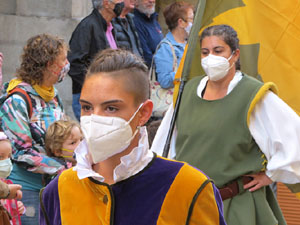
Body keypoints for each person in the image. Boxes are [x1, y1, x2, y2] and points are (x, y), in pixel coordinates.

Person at [39, 49, 226, 225]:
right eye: (87, 107)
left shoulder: (189, 187)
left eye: (111, 108)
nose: (94, 118)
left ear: (143, 113)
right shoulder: (58, 191)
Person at [151, 24, 300, 225]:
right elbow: (163, 148)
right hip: (192, 206)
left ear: (235, 54)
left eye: (218, 50)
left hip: (238, 207)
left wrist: (271, 175)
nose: (210, 57)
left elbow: (294, 136)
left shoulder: (252, 95)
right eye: (205, 52)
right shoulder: (186, 92)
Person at [0, 34, 68, 225]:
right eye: (63, 60)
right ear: (49, 64)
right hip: (26, 191)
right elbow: (21, 152)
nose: (66, 65)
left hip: (52, 187)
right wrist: (62, 167)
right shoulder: (17, 100)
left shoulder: (53, 96)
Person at [68, 0, 125, 121]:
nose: (122, 2)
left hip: (107, 96)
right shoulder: (87, 26)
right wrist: (94, 86)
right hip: (90, 99)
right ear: (106, 3)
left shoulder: (110, 26)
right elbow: (74, 64)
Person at [153, 1, 194, 89]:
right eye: (191, 19)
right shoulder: (166, 48)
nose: (194, 23)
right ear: (181, 22)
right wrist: (186, 71)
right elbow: (164, 81)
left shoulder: (188, 43)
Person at [0, 132, 25, 224]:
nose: (6, 161)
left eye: (9, 157)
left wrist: (18, 207)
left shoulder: (7, 183)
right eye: (0, 157)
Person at [133, 0, 163, 67]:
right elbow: (146, 55)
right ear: (136, 2)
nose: (151, 1)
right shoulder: (135, 22)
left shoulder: (154, 20)